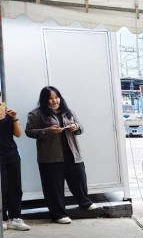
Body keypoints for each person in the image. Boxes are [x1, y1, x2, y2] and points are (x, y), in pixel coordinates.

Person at [25, 86, 96, 224]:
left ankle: (84, 202)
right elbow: (29, 132)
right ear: (44, 100)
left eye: (56, 97)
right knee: (53, 187)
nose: (54, 101)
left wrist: (76, 127)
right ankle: (58, 214)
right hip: (50, 158)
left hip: (72, 153)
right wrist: (49, 131)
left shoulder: (67, 111)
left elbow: (81, 128)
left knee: (79, 179)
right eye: (50, 98)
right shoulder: (36, 114)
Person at [0, 102, 30, 231]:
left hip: (11, 154)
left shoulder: (7, 112)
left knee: (15, 187)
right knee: (2, 188)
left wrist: (14, 118)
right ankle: (2, 218)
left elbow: (18, 134)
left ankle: (15, 218)